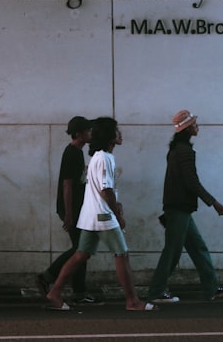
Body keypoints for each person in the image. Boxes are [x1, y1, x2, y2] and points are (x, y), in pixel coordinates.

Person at [44, 117, 157, 312]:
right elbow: (105, 190)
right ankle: (132, 301)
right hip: (103, 217)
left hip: (91, 216)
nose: (120, 134)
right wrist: (118, 215)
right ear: (109, 136)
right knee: (122, 254)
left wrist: (116, 203)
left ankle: (55, 292)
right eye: (116, 131)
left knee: (81, 255)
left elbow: (101, 189)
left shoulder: (97, 156)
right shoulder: (105, 158)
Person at [147, 110, 223, 304]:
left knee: (197, 247)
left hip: (180, 208)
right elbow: (191, 181)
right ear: (187, 128)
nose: (197, 126)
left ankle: (211, 288)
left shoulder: (177, 149)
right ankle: (156, 291)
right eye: (194, 124)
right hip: (178, 208)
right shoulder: (184, 150)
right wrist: (214, 202)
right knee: (173, 250)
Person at [36, 116, 102, 305]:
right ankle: (48, 277)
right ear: (79, 134)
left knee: (81, 250)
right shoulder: (72, 152)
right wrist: (69, 214)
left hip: (78, 209)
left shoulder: (77, 152)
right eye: (88, 131)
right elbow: (67, 184)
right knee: (80, 249)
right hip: (73, 210)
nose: (91, 134)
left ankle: (79, 291)